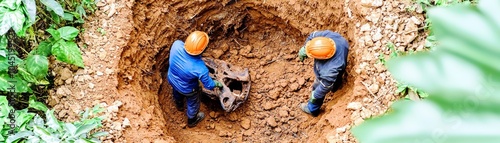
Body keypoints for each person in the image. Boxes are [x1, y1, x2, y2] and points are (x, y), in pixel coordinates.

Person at [167, 31, 223, 127]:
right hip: (188, 89)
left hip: (172, 79)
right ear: (203, 50)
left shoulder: (176, 45)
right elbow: (209, 85)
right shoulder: (200, 68)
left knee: (176, 92)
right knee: (193, 102)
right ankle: (192, 120)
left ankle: (179, 104)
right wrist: (217, 84)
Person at [297, 30, 349, 117]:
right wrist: (306, 47)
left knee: (318, 86)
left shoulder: (330, 70)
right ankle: (336, 86)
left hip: (335, 66)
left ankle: (312, 108)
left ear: (323, 58)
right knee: (337, 77)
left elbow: (325, 85)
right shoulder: (330, 37)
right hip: (341, 55)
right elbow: (312, 35)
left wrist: (316, 95)